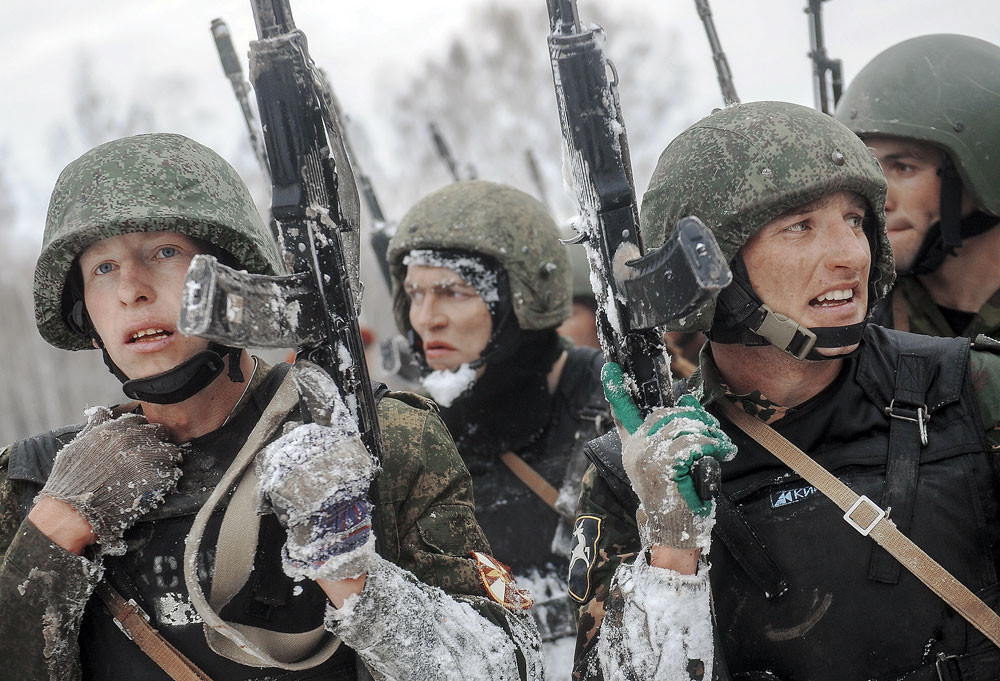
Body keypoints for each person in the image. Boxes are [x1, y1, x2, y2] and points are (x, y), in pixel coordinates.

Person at [0, 133, 542, 681]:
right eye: (103, 268)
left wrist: (355, 577)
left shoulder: (379, 437)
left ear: (235, 277)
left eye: (164, 252)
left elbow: (508, 669)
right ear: (85, 318)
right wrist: (53, 534)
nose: (131, 290)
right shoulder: (34, 483)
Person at [571, 101, 1000, 680]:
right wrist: (671, 547)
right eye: (800, 226)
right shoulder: (639, 474)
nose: (850, 254)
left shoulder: (971, 390)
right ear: (711, 269)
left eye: (855, 221)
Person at [386, 180, 611, 673]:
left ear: (522, 297)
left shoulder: (615, 399)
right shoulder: (411, 433)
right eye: (415, 294)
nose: (426, 318)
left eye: (453, 292)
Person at [835, 34, 1000, 338]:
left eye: (904, 167)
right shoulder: (851, 315)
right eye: (866, 168)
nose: (876, 199)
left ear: (984, 173)